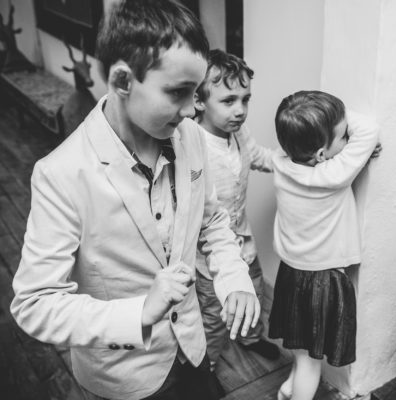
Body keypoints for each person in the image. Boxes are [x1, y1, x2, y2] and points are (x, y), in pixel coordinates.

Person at [10, 1, 260, 399]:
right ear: (123, 81)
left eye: (196, 94)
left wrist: (234, 278)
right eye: (178, 93)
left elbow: (211, 220)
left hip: (193, 350)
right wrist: (139, 313)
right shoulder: (61, 173)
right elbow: (35, 304)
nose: (191, 109)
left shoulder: (192, 137)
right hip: (125, 377)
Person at [268, 90, 381, 400]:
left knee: (301, 349)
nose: (348, 142)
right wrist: (347, 131)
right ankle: (298, 392)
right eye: (343, 137)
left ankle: (288, 388)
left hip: (291, 273)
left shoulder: (280, 161)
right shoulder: (334, 175)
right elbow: (369, 128)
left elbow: (330, 143)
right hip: (322, 280)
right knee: (310, 363)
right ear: (320, 155)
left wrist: (324, 125)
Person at [193, 49, 280, 369]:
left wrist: (297, 161)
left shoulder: (238, 132)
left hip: (244, 241)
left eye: (245, 99)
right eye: (229, 100)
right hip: (210, 256)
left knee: (253, 292)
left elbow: (258, 156)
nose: (240, 110)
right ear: (199, 101)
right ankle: (209, 365)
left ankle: (250, 337)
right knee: (214, 316)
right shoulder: (193, 146)